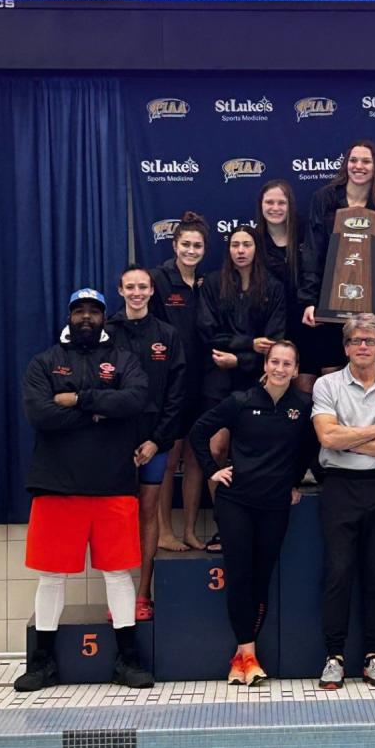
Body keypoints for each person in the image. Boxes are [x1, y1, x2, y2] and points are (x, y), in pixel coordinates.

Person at [15, 288, 153, 692]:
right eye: (80, 311)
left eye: (94, 311)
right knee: (51, 577)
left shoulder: (124, 359)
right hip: (56, 486)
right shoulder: (45, 361)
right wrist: (98, 414)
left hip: (113, 485)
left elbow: (135, 400)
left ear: (105, 317)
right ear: (70, 316)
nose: (87, 318)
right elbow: (39, 414)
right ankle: (42, 662)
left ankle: (127, 659)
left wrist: (78, 400)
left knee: (118, 575)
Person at [188, 341, 315, 686]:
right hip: (237, 503)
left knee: (261, 578)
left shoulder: (302, 407)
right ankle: (245, 653)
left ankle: (247, 653)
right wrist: (212, 469)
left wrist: (294, 482)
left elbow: (308, 448)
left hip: (275, 504)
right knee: (240, 576)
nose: (280, 369)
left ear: (296, 368)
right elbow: (198, 431)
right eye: (275, 362)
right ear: (265, 364)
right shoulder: (241, 401)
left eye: (287, 363)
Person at [311, 313, 375, 690]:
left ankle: (374, 656)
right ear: (346, 347)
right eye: (356, 341)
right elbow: (327, 438)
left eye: (370, 341)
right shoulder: (326, 385)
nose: (363, 347)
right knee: (338, 573)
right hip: (340, 486)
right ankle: (334, 657)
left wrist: (347, 436)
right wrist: (374, 431)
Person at [197, 225, 286, 548]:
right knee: (218, 449)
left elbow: (274, 342)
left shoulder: (273, 287)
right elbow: (208, 334)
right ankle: (223, 522)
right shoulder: (213, 284)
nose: (241, 250)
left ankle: (249, 523)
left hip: (257, 381)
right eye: (235, 244)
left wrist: (240, 359)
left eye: (247, 244)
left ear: (256, 249)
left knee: (250, 453)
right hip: (218, 381)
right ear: (228, 249)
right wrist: (249, 343)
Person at [106, 265, 186, 619]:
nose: (137, 292)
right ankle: (118, 595)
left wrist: (157, 439)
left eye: (143, 287)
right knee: (117, 518)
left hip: (154, 442)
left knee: (147, 513)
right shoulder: (105, 333)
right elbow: (95, 387)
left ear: (152, 291)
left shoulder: (166, 335)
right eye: (130, 287)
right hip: (115, 442)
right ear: (120, 291)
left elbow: (176, 393)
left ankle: (142, 595)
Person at [298, 139, 375, 373]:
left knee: (364, 371)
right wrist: (310, 300)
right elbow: (312, 251)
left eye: (366, 161)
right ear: (346, 164)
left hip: (368, 307)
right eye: (353, 160)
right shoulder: (324, 198)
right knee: (329, 373)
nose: (358, 166)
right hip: (327, 302)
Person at [149, 211, 208, 551]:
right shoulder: (158, 280)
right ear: (174, 245)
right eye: (185, 244)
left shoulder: (205, 284)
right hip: (169, 384)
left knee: (197, 457)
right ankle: (164, 531)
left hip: (202, 381)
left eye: (197, 245)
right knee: (169, 460)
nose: (191, 250)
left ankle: (188, 529)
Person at [255, 179, 315, 392]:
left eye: (281, 202)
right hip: (272, 326)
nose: (275, 208)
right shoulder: (254, 240)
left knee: (306, 391)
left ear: (290, 205)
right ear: (260, 205)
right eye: (269, 202)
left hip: (308, 322)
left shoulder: (306, 234)